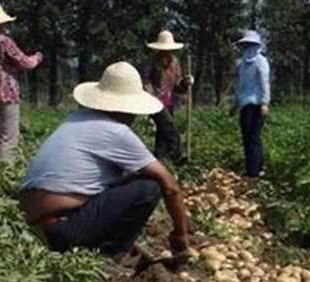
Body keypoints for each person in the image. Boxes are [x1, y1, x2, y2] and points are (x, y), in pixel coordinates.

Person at [18, 62, 189, 260]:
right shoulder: (116, 132)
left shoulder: (76, 119)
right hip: (63, 229)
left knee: (127, 178)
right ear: (126, 108)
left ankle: (99, 244)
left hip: (34, 228)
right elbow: (170, 186)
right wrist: (180, 233)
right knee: (149, 187)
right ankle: (112, 254)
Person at [0, 0, 43, 166]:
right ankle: (2, 173)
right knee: (8, 137)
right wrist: (37, 58)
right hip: (6, 92)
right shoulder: (3, 40)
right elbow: (25, 63)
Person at [146, 30, 194, 166]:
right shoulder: (153, 63)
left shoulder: (175, 62)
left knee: (162, 130)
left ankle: (159, 157)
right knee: (169, 125)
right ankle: (176, 155)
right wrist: (151, 96)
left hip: (170, 100)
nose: (166, 53)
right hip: (155, 101)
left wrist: (186, 82)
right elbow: (146, 81)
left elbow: (178, 84)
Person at [235, 30, 270, 178]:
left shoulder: (260, 61)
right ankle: (253, 167)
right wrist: (235, 103)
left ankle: (254, 171)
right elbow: (241, 85)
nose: (248, 48)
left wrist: (264, 102)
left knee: (253, 137)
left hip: (256, 104)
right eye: (246, 45)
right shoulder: (243, 63)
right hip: (245, 104)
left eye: (250, 45)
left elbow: (264, 83)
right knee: (247, 137)